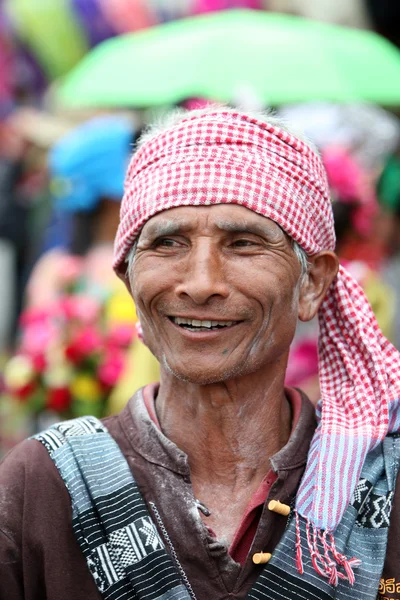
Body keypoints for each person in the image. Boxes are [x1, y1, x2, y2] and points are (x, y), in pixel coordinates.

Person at [1, 106, 400, 600]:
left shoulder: (380, 486)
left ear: (312, 283)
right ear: (128, 277)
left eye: (243, 243)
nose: (201, 283)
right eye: (167, 242)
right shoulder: (42, 484)